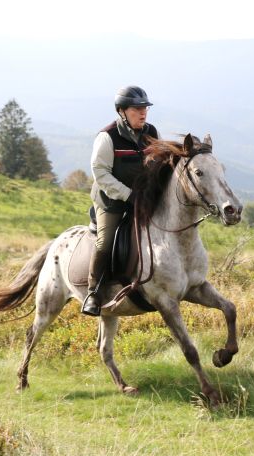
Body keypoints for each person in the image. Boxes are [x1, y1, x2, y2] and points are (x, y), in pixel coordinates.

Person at [82, 85, 160, 316]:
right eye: (137, 109)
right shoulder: (107, 137)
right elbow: (101, 173)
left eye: (145, 108)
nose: (143, 113)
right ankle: (93, 293)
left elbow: (158, 163)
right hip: (111, 200)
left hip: (142, 197)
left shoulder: (151, 132)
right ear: (122, 111)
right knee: (105, 242)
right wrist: (128, 195)